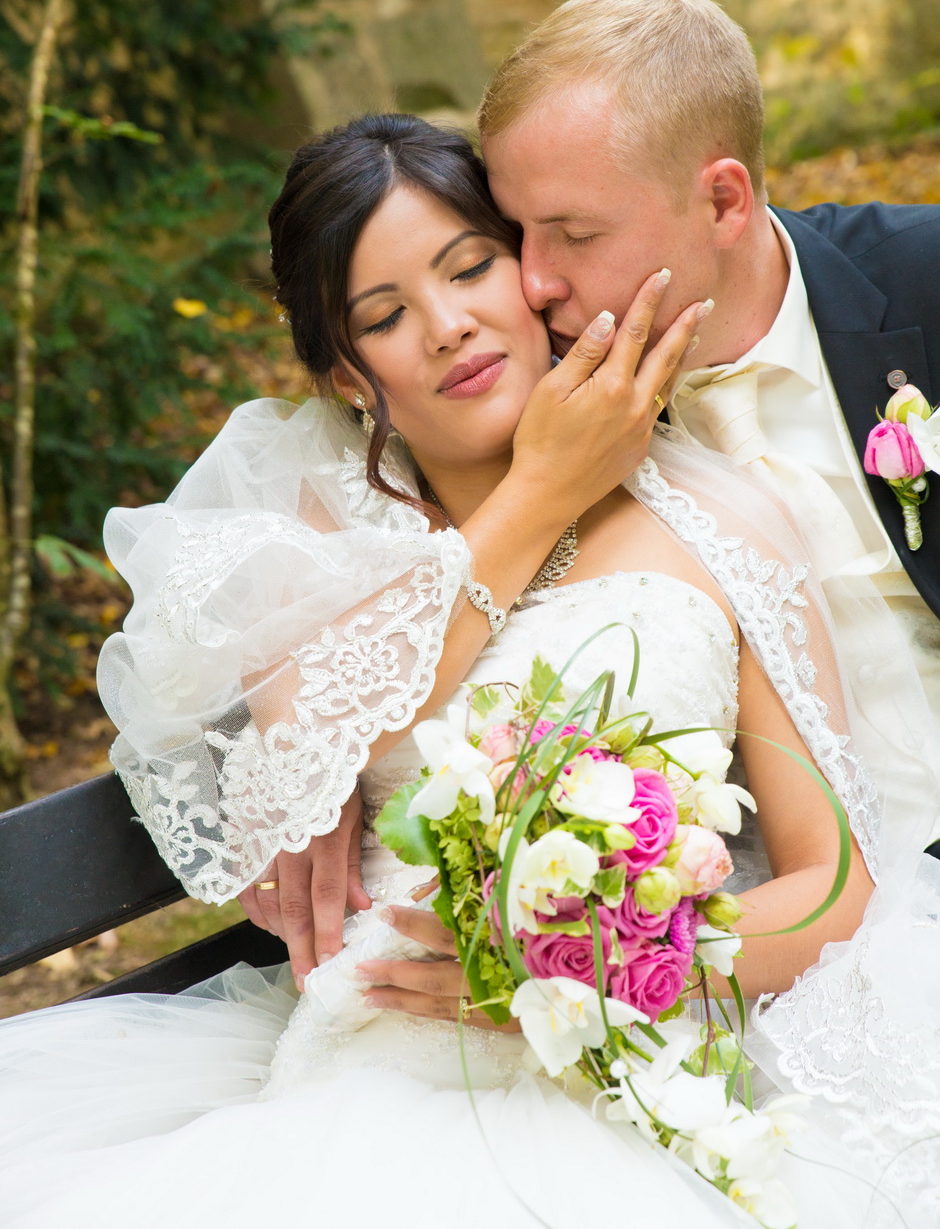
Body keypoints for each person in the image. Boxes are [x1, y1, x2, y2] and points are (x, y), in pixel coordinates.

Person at [1, 115, 937, 1229]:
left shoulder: (719, 520)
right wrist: (536, 493)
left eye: (469, 266)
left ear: (528, 274)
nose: (447, 327)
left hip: (650, 1056)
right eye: (385, 316)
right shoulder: (309, 547)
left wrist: (610, 973)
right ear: (348, 374)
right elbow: (297, 781)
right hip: (375, 1085)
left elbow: (835, 891)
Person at [259, 0, 940, 977]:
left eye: (572, 236)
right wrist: (308, 786)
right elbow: (301, 688)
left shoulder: (923, 279)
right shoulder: (532, 407)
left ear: (720, 200)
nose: (532, 284)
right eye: (515, 234)